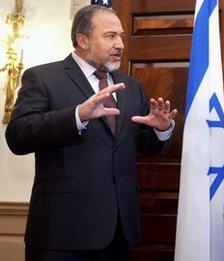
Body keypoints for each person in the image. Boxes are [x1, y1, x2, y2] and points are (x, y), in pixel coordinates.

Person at [5, 5, 177, 261]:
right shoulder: (42, 78)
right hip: (61, 233)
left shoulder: (131, 86)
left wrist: (162, 131)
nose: (120, 43)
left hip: (118, 231)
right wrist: (77, 116)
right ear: (82, 39)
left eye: (121, 36)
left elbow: (141, 145)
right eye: (110, 36)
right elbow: (18, 136)